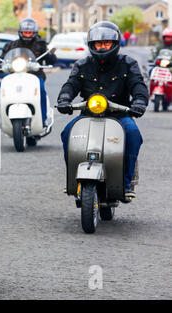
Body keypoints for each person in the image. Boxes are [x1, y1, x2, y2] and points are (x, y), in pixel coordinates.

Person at [56, 21, 148, 200]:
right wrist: (64, 99)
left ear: (115, 44)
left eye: (106, 43)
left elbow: (138, 85)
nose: (103, 46)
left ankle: (127, 181)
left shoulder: (128, 63)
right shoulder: (82, 64)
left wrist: (139, 101)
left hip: (119, 115)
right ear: (92, 45)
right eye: (99, 43)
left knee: (133, 133)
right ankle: (73, 181)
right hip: (88, 114)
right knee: (67, 133)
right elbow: (71, 84)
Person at [0, 18, 57, 127]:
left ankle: (43, 119)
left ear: (34, 33)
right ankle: (6, 119)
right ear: (20, 32)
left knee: (41, 90)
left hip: (35, 76)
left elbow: (52, 60)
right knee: (6, 90)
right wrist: (0, 65)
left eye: (30, 32)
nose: (27, 35)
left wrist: (49, 54)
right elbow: (1, 59)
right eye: (25, 32)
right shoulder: (12, 45)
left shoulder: (41, 45)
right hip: (15, 75)